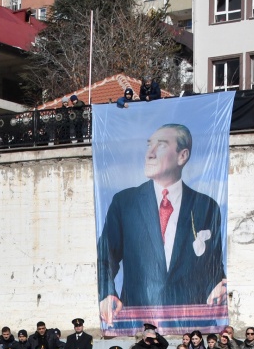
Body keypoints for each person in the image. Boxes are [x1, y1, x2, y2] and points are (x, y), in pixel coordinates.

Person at [96, 123, 228, 327]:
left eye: (162, 145)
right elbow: (105, 258)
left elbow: (212, 265)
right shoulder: (125, 203)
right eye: (149, 145)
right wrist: (107, 293)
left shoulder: (206, 206)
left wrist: (219, 284)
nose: (150, 153)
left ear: (182, 156)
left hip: (191, 325)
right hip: (139, 324)